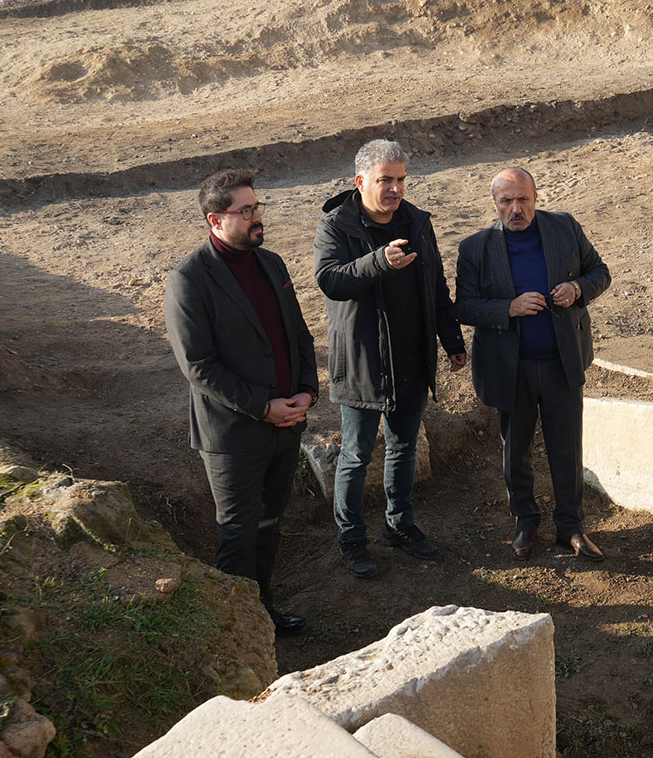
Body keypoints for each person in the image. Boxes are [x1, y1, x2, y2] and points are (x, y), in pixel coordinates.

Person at [164, 169, 318, 636]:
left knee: (269, 528)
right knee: (237, 537)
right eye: (245, 211)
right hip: (233, 436)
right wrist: (263, 406)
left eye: (258, 208)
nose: (257, 218)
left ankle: (263, 614)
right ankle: (234, 637)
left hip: (287, 424)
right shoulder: (189, 280)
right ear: (215, 220)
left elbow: (299, 336)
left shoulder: (272, 264)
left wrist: (307, 391)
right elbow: (199, 366)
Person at [314, 139, 466, 578]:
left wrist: (451, 339)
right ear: (361, 181)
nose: (395, 188)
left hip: (412, 359)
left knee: (403, 447)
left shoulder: (417, 222)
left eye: (400, 179)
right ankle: (352, 538)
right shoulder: (336, 226)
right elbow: (330, 280)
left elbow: (435, 282)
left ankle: (399, 525)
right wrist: (378, 261)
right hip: (362, 362)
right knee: (356, 455)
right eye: (386, 180)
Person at [456, 167, 611, 561]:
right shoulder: (474, 248)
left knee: (567, 448)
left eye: (523, 199)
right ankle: (525, 522)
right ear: (495, 204)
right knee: (516, 451)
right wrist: (508, 308)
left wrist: (577, 288)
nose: (516, 209)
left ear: (536, 197)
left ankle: (571, 527)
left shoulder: (564, 228)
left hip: (562, 363)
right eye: (506, 201)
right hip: (512, 368)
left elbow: (600, 273)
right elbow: (465, 306)